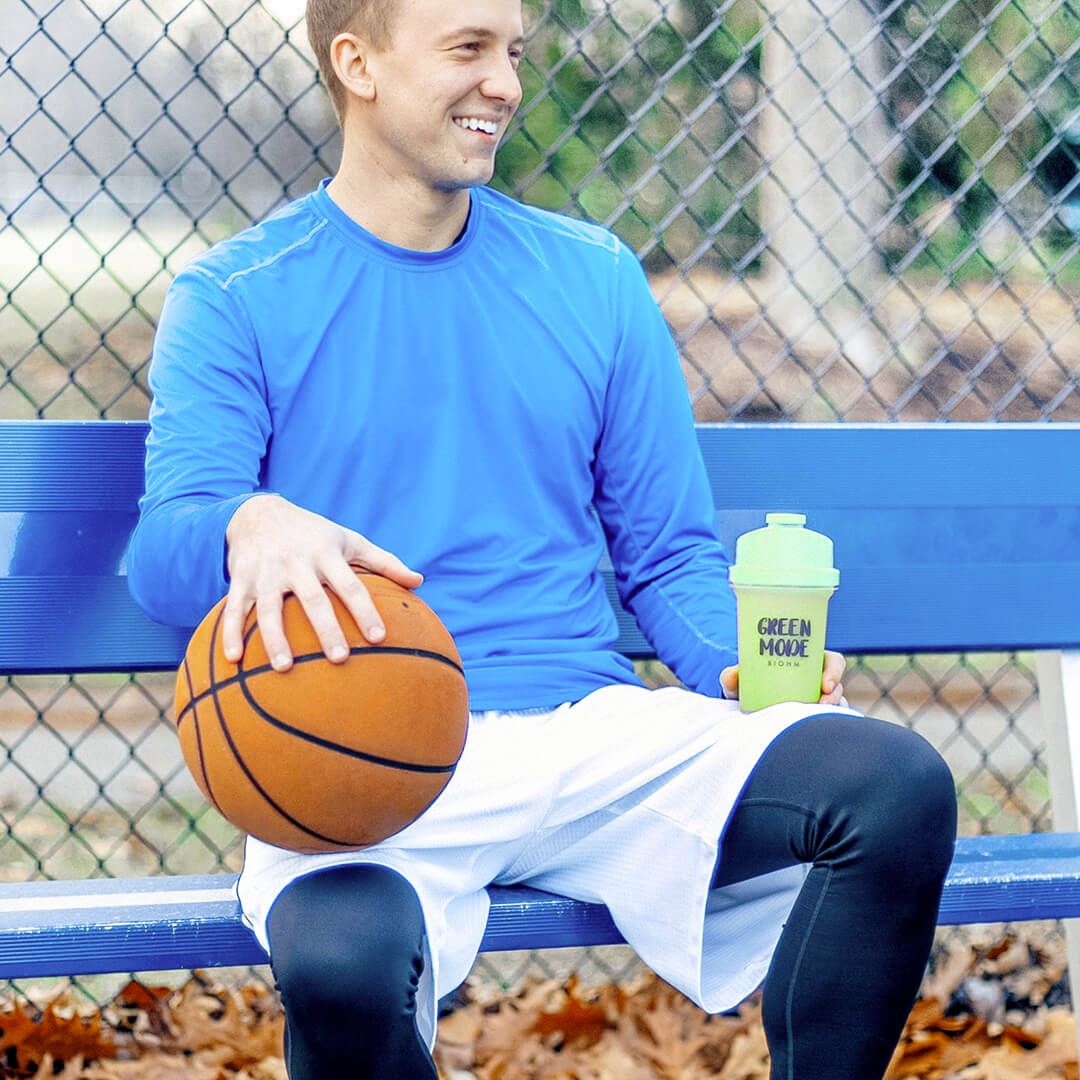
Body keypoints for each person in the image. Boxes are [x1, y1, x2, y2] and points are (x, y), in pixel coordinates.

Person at [127, 0, 958, 1075]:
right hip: (372, 750)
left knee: (893, 783)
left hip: (589, 734)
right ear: (358, 63)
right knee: (343, 964)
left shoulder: (590, 275)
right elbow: (162, 556)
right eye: (467, 50)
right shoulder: (235, 295)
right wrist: (250, 522)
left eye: (513, 52)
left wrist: (730, 661)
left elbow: (666, 552)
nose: (506, 84)